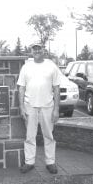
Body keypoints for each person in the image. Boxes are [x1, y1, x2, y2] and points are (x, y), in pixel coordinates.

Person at [17, 42, 60, 174]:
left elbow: (57, 88)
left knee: (49, 136)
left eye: (39, 48)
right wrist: (22, 107)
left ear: (43, 50)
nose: (36, 51)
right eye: (34, 48)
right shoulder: (26, 67)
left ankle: (50, 162)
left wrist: (56, 109)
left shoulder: (52, 66)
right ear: (31, 50)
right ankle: (29, 162)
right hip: (30, 106)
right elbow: (21, 88)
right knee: (30, 136)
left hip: (47, 106)